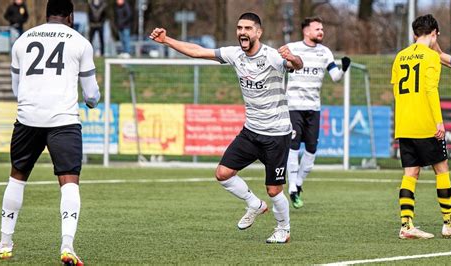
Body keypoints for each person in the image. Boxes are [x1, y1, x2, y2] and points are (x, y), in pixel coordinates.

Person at [150, 12, 303, 243]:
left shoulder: (271, 56)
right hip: (251, 131)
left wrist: (294, 57)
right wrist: (167, 40)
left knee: (274, 190)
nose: (243, 32)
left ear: (258, 33)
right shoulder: (235, 54)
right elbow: (198, 51)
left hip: (276, 134)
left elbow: (296, 65)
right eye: (240, 28)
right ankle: (254, 203)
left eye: (248, 28)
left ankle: (284, 228)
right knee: (223, 174)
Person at [0, 0, 100, 264]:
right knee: (69, 181)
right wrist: (91, 101)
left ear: (46, 15)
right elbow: (91, 94)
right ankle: (67, 246)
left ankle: (5, 243)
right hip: (63, 120)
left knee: (17, 178)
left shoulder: (22, 40)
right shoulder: (80, 42)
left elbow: (16, 88)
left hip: (28, 119)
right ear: (71, 16)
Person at [391, 14, 451, 239]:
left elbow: (396, 91)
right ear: (435, 33)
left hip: (404, 123)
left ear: (414, 33)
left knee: (410, 173)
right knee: (441, 169)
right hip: (426, 123)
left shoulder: (400, 57)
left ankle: (406, 225)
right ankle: (449, 222)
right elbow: (431, 90)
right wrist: (438, 121)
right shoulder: (431, 57)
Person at [285, 17, 351, 208]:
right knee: (293, 146)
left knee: (311, 151)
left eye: (322, 29)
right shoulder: (292, 48)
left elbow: (335, 77)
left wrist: (344, 68)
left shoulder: (325, 52)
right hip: (293, 106)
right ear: (306, 31)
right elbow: (280, 65)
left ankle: (298, 184)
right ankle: (291, 188)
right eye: (317, 29)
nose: (321, 32)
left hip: (313, 108)